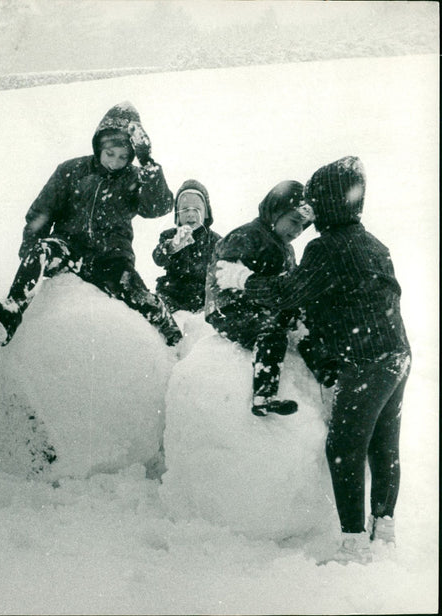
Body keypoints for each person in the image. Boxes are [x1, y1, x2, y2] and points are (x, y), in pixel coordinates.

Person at [215, 156, 411, 565]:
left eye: (317, 201)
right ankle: (384, 528)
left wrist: (243, 280)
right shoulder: (374, 243)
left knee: (344, 446)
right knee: (384, 445)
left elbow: (288, 293)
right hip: (397, 355)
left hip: (366, 359)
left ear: (331, 203)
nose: (311, 211)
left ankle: (354, 545)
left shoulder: (327, 247)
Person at [0, 101, 182, 347]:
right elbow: (41, 212)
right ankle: (9, 314)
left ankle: (174, 338)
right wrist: (31, 253)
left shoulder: (134, 177)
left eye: (124, 157)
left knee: (138, 295)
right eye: (110, 154)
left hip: (111, 258)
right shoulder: (72, 170)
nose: (115, 162)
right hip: (67, 247)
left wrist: (147, 164)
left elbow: (158, 207)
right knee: (43, 250)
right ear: (99, 146)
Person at [205, 180, 313, 417]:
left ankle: (325, 370)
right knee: (272, 331)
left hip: (263, 307)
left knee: (303, 325)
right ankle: (264, 396)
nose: (297, 231)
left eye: (303, 226)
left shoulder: (287, 249)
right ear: (275, 212)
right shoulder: (247, 235)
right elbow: (224, 274)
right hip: (228, 308)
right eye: (294, 221)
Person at [152, 179, 222, 313]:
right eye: (185, 209)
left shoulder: (216, 241)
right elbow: (158, 258)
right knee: (158, 312)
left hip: (203, 298)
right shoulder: (169, 235)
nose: (190, 214)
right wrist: (171, 246)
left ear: (206, 213)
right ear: (177, 214)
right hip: (172, 294)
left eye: (197, 209)